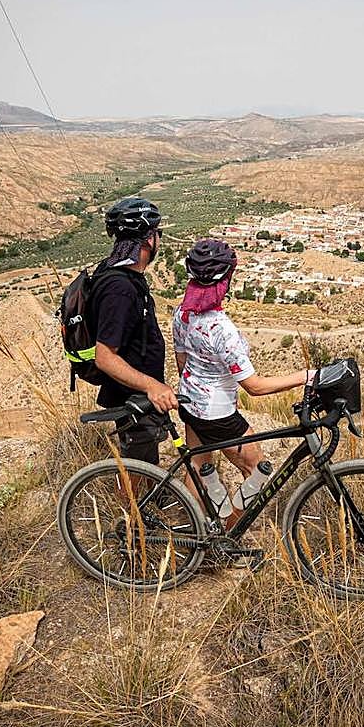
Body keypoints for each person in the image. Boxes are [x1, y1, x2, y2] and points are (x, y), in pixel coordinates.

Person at [172, 238, 312, 525]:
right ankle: (228, 532)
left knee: (198, 465)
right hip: (217, 412)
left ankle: (195, 529)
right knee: (257, 469)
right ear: (226, 280)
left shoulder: (182, 313)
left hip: (189, 400)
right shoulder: (223, 331)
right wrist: (307, 376)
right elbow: (255, 387)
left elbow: (182, 362)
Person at [89, 197, 177, 465]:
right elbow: (104, 356)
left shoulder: (119, 273)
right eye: (157, 233)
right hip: (133, 398)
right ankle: (130, 508)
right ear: (149, 240)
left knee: (145, 460)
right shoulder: (120, 289)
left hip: (136, 394)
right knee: (138, 469)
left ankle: (143, 503)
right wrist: (152, 386)